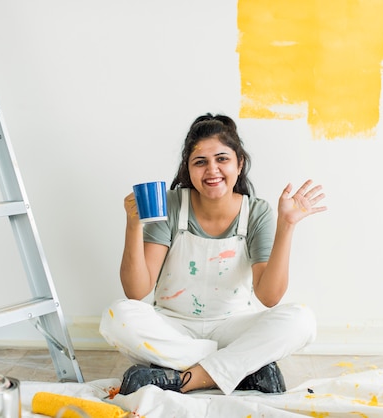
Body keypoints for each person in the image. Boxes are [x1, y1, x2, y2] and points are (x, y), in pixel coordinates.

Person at [100, 113, 327, 396]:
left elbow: (269, 297)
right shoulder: (170, 205)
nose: (212, 170)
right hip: (174, 327)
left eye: (222, 159)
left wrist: (287, 225)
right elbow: (136, 291)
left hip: (233, 329)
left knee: (302, 321)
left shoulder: (256, 212)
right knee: (116, 316)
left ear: (239, 163)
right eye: (200, 162)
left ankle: (186, 378)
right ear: (188, 169)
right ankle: (237, 370)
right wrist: (133, 225)